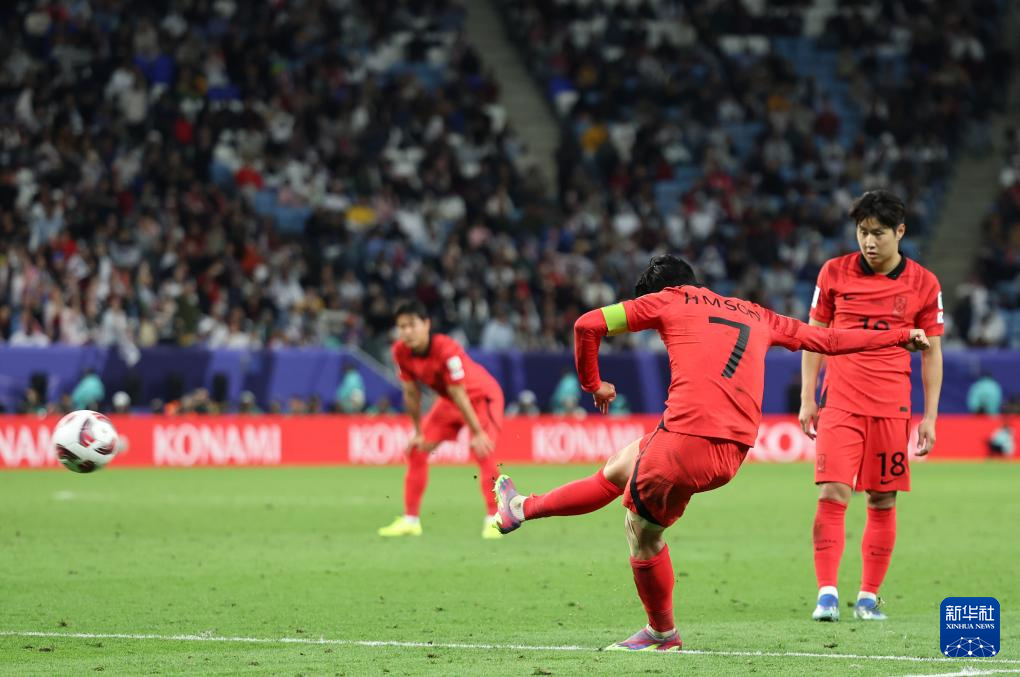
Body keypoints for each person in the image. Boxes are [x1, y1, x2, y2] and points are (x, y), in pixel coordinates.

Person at [491, 255, 930, 652]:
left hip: (685, 442)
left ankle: (662, 633)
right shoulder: (758, 313)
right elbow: (827, 339)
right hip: (732, 450)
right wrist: (899, 337)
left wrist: (595, 385)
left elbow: (587, 325)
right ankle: (520, 508)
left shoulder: (667, 300)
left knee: (641, 533)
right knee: (621, 465)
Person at [799, 190, 944, 622]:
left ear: (900, 232)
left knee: (882, 499)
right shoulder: (833, 273)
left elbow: (932, 353)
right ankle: (827, 594)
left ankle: (868, 597)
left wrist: (930, 417)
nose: (868, 241)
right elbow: (814, 337)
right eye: (862, 232)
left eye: (878, 233)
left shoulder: (924, 283)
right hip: (840, 402)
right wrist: (808, 397)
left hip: (891, 405)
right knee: (833, 491)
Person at [378, 300, 506, 540]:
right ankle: (410, 521)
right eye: (402, 327)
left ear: (426, 324)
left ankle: (495, 519)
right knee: (417, 450)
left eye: (412, 325)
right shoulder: (400, 351)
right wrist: (418, 432)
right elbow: (411, 393)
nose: (407, 331)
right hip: (450, 401)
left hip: (481, 397)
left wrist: (478, 432)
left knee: (483, 450)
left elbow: (460, 393)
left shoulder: (447, 350)